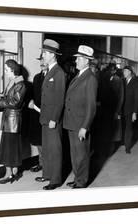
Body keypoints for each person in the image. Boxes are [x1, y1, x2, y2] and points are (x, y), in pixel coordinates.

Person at [63, 45, 98, 188]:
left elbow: (91, 107)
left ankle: (81, 181)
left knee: (81, 155)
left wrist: (85, 127)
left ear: (86, 61)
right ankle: (78, 177)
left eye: (78, 59)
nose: (76, 61)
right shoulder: (79, 76)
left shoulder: (90, 78)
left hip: (80, 124)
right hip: (72, 122)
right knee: (74, 154)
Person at [36, 39, 66, 190]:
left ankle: (55, 179)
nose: (43, 56)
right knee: (47, 148)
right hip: (45, 118)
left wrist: (55, 118)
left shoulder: (59, 73)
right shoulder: (49, 71)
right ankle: (47, 174)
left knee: (55, 150)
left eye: (45, 53)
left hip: (53, 119)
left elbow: (60, 98)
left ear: (53, 55)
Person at [0, 59, 26, 184]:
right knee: (9, 148)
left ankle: (10, 174)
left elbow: (15, 102)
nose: (5, 73)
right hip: (9, 121)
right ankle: (13, 172)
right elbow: (11, 97)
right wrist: (2, 97)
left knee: (9, 149)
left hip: (13, 122)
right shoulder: (13, 82)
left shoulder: (20, 84)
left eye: (7, 70)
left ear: (13, 70)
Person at [28, 54, 48, 172]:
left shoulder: (53, 76)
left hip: (47, 113)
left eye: (44, 60)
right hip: (36, 113)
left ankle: (47, 166)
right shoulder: (37, 77)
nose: (42, 62)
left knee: (47, 141)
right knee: (39, 141)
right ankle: (42, 163)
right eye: (40, 59)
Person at [122, 65, 138, 154]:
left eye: (125, 71)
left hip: (130, 110)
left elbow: (137, 98)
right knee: (124, 127)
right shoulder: (123, 81)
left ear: (130, 72)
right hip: (123, 109)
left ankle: (128, 147)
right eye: (123, 71)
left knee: (128, 128)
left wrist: (135, 112)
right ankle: (124, 142)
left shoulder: (135, 82)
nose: (124, 73)